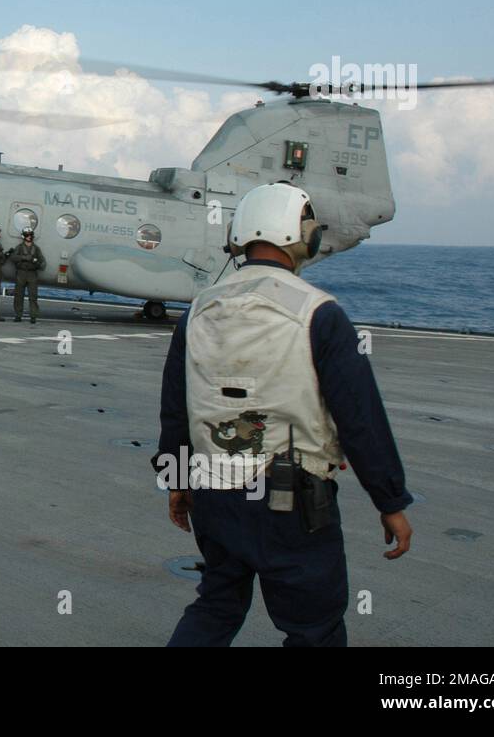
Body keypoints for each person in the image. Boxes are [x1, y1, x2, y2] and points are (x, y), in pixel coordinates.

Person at [155, 182, 412, 647]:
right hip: (291, 504)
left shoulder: (197, 311)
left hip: (214, 493)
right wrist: (389, 501)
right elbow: (360, 418)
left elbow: (176, 409)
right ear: (300, 234)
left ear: (239, 236)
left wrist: (177, 482)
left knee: (216, 604)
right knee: (314, 629)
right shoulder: (319, 312)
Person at [8, 227, 45, 323]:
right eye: (27, 235)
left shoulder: (36, 249)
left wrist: (37, 263)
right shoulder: (19, 248)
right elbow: (13, 258)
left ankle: (33, 316)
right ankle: (18, 315)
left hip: (32, 273)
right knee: (18, 295)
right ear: (24, 236)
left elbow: (42, 262)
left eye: (30, 235)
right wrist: (25, 258)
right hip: (21, 273)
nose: (29, 237)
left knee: (33, 296)